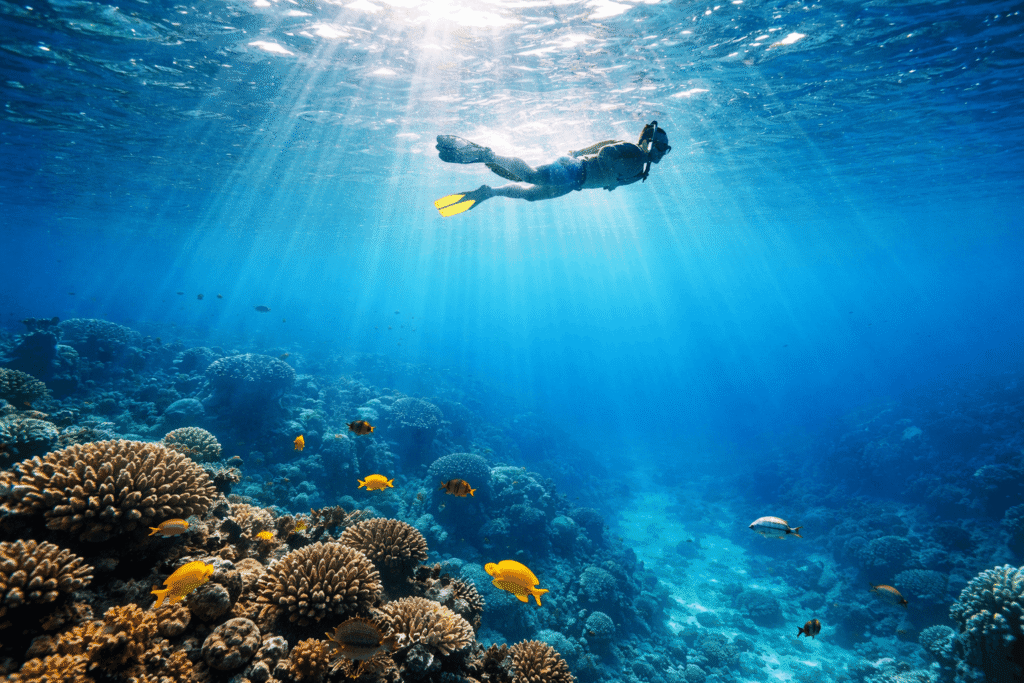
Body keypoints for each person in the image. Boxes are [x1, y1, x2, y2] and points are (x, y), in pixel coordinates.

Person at [433, 121, 671, 217]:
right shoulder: (634, 151)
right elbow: (606, 152)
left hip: (575, 183)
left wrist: (612, 182)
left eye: (666, 148)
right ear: (649, 142)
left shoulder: (641, 170)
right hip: (574, 171)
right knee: (532, 175)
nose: (663, 151)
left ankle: (490, 191)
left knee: (530, 196)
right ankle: (488, 155)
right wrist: (608, 174)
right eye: (661, 146)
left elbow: (604, 147)